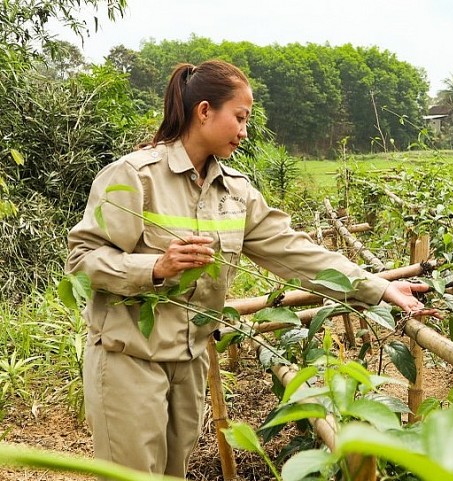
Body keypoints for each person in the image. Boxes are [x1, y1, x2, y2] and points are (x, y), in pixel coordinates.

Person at [66, 59, 430, 477]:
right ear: (204, 111)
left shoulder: (236, 192)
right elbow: (82, 261)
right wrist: (156, 267)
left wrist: (378, 287)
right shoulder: (135, 176)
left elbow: (296, 252)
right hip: (129, 360)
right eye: (240, 118)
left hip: (189, 360)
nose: (244, 131)